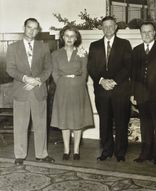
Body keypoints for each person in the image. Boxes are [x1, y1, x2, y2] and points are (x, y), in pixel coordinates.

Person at [6, 18, 54, 165]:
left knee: (41, 124)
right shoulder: (13, 47)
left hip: (38, 90)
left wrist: (37, 81)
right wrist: (26, 78)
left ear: (38, 31)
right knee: (21, 124)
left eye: (35, 28)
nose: (31, 31)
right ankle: (20, 155)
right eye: (29, 27)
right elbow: (10, 69)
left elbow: (48, 69)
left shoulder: (43, 47)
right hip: (21, 91)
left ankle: (41, 154)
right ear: (24, 27)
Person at [87, 16, 132, 162]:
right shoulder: (94, 46)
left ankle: (120, 152)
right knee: (104, 121)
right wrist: (101, 81)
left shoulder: (125, 44)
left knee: (121, 121)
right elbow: (91, 68)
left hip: (120, 90)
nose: (108, 29)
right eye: (105, 26)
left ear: (116, 27)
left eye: (111, 26)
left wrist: (114, 81)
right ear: (101, 27)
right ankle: (106, 151)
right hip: (101, 90)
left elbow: (128, 67)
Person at [130, 21, 156, 165]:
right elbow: (133, 75)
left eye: (149, 31)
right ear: (140, 33)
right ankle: (145, 153)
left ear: (154, 32)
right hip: (141, 96)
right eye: (144, 32)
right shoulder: (136, 50)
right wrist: (133, 94)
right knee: (145, 125)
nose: (147, 34)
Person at [50, 25, 94, 160]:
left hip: (78, 90)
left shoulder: (82, 53)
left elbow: (84, 73)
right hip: (62, 90)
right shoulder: (55, 54)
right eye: (66, 36)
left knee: (77, 120)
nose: (69, 38)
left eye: (72, 36)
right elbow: (54, 73)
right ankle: (66, 150)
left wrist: (76, 84)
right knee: (64, 120)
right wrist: (63, 84)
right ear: (62, 37)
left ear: (76, 38)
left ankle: (76, 151)